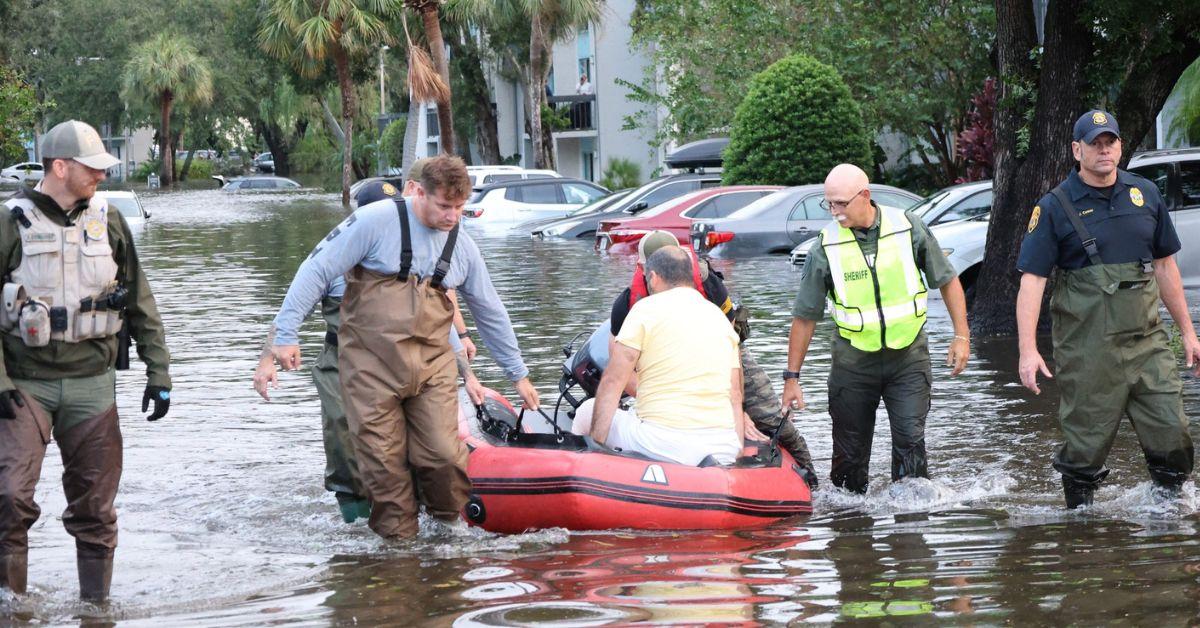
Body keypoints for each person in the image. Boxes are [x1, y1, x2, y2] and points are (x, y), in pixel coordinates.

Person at [268, 155, 539, 540]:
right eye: (445, 206)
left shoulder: (461, 245)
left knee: (445, 457)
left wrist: (519, 374)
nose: (452, 217)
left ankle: (446, 533)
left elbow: (489, 309)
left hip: (431, 367)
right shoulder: (375, 221)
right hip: (371, 368)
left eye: (460, 207)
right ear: (419, 193)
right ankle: (400, 556)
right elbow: (316, 269)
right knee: (385, 467)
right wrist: (285, 334)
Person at [0, 120, 171, 601]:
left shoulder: (109, 220)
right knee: (10, 498)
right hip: (23, 387)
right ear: (60, 166)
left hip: (93, 385)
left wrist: (159, 373)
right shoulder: (9, 221)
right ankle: (12, 611)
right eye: (91, 167)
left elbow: (140, 300)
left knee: (96, 509)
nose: (101, 176)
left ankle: (97, 611)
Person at [1016, 109, 1198, 509]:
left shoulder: (1144, 194)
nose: (1104, 150)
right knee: (1085, 447)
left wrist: (1188, 332)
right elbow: (1032, 281)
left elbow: (1166, 266)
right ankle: (1081, 527)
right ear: (1076, 150)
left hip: (1148, 342)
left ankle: (1168, 520)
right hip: (1088, 349)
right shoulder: (1054, 207)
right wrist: (1028, 350)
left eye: (1110, 142)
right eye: (1095, 143)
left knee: (1174, 435)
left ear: (1119, 146)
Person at [782, 164, 969, 494]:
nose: (834, 212)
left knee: (911, 447)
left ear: (865, 196)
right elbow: (804, 316)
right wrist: (792, 379)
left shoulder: (907, 227)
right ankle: (851, 536)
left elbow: (948, 280)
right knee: (848, 465)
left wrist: (961, 336)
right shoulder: (825, 246)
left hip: (908, 359)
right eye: (829, 204)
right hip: (853, 366)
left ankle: (910, 534)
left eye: (840, 203)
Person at [607, 230, 818, 484]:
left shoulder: (707, 285)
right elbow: (619, 366)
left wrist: (739, 412)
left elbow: (730, 342)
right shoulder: (628, 305)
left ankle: (810, 481)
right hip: (661, 361)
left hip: (725, 353)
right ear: (644, 268)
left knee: (771, 418)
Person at [573, 246, 743, 466]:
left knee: (587, 410)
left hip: (661, 443)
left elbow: (614, 381)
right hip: (722, 447)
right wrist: (734, 455)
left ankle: (589, 472)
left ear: (652, 278)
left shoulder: (644, 310)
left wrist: (596, 444)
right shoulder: (719, 318)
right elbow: (735, 394)